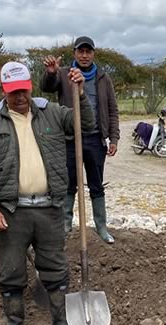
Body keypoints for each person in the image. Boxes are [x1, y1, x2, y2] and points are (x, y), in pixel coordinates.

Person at [0, 61, 94, 325]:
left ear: (31, 87)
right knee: (11, 270)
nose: (20, 97)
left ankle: (61, 322)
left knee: (54, 266)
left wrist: (81, 94)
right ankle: (15, 324)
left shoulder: (51, 113)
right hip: (11, 211)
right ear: (3, 91)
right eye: (13, 92)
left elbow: (84, 125)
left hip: (50, 208)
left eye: (24, 90)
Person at [40, 36, 120, 243]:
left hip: (95, 139)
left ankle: (101, 226)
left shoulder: (103, 78)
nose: (84, 55)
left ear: (93, 54)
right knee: (69, 184)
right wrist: (50, 73)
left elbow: (113, 110)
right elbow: (47, 87)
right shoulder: (64, 74)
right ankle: (66, 224)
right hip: (69, 138)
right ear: (74, 53)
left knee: (96, 184)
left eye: (88, 51)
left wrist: (114, 138)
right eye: (80, 51)